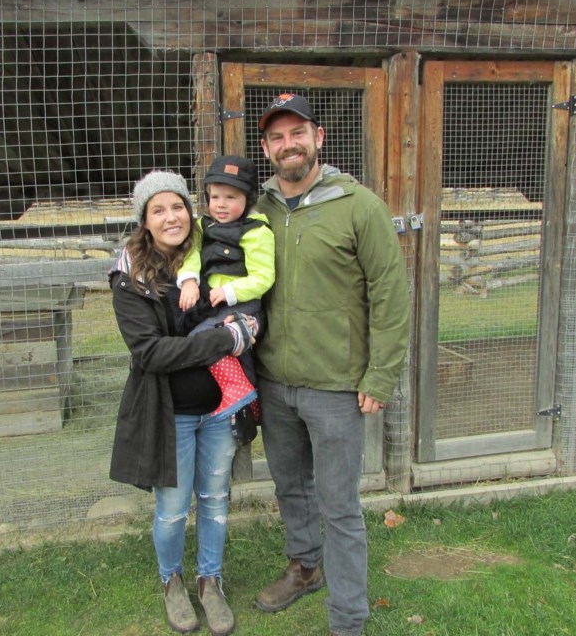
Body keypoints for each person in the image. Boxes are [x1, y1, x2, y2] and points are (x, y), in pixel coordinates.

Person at [252, 93, 410, 636]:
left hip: (336, 386)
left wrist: (380, 373)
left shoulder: (357, 204)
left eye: (297, 133)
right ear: (267, 147)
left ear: (319, 138)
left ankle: (348, 619)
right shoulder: (260, 208)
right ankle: (305, 568)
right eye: (276, 136)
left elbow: (390, 294)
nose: (287, 144)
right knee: (289, 486)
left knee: (340, 506)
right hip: (274, 381)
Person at [109, 169, 259, 636]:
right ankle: (171, 580)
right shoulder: (129, 276)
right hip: (168, 413)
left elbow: (233, 306)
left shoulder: (210, 255)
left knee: (215, 498)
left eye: (177, 206)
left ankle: (209, 580)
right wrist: (224, 340)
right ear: (145, 221)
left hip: (218, 409)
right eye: (159, 210)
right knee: (173, 507)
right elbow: (150, 352)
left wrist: (240, 325)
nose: (171, 217)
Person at [176, 155, 275, 431]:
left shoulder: (256, 232)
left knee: (205, 339)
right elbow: (191, 254)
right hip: (210, 303)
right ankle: (245, 407)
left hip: (242, 304)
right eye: (215, 196)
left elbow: (264, 276)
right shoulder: (202, 226)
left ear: (247, 198)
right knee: (231, 353)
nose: (221, 204)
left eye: (231, 197)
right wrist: (188, 281)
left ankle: (241, 396)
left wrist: (230, 290)